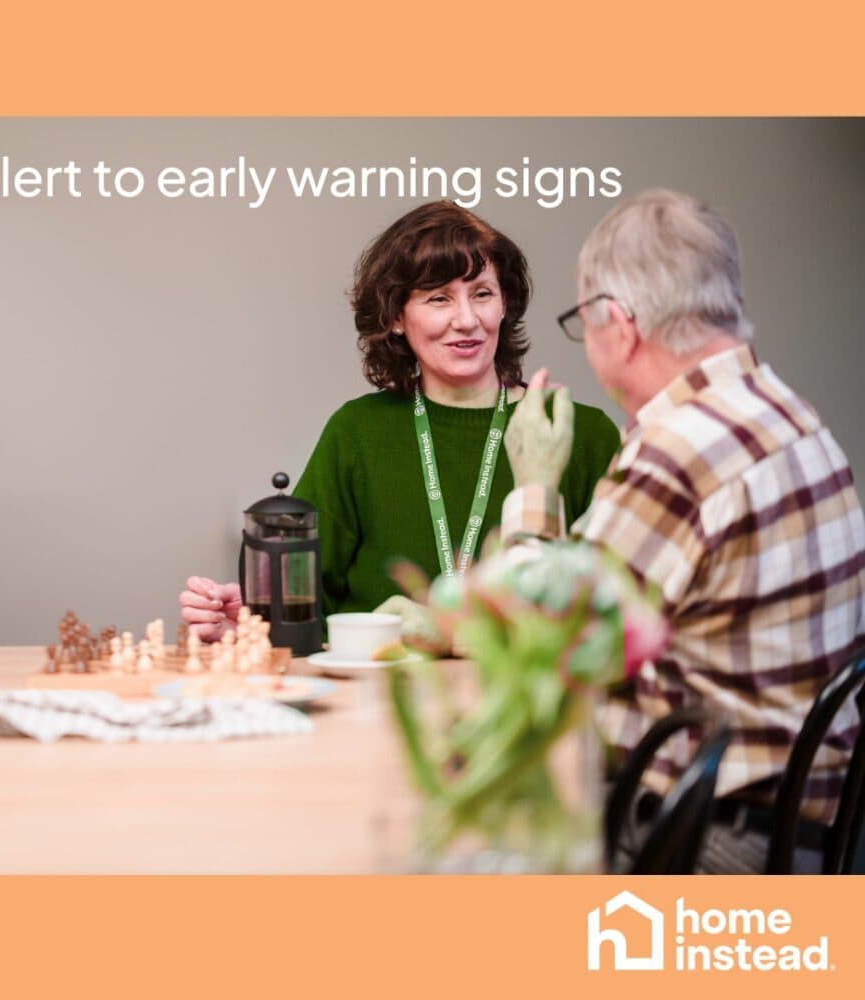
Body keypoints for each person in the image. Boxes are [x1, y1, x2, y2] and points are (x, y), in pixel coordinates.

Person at [502, 188, 864, 873]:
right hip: (810, 829)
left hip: (714, 844)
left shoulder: (680, 450)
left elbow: (536, 649)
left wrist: (533, 490)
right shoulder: (788, 413)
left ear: (619, 323)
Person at [181, 201, 620, 644]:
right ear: (394, 318)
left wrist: (447, 631)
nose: (466, 319)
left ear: (505, 303)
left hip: (530, 706)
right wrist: (252, 622)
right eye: (439, 298)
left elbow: (619, 616)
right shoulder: (356, 432)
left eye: (482, 293)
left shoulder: (579, 434)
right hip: (370, 702)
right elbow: (308, 610)